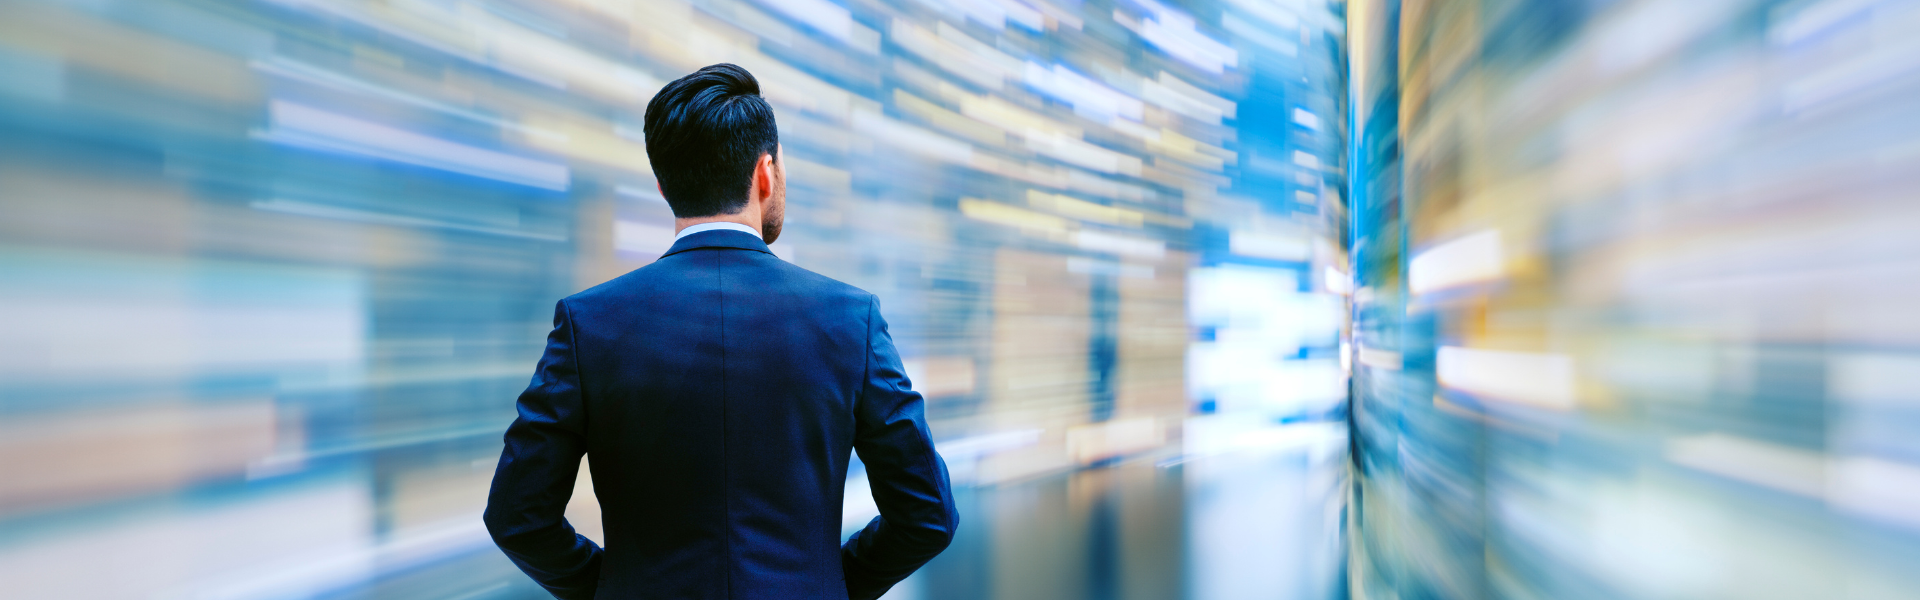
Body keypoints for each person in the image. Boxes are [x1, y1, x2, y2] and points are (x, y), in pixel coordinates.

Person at [483, 63, 957, 600]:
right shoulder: (851, 318)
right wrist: (827, 586)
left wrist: (616, 587)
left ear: (663, 186)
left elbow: (516, 517)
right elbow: (927, 516)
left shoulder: (588, 323)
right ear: (765, 173)